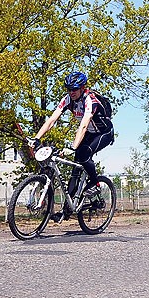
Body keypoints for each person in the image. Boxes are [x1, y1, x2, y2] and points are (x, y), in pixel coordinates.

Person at [31, 71, 114, 221]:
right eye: (68, 89)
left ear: (83, 88)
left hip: (103, 133)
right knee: (75, 170)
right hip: (89, 133)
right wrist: (37, 138)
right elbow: (51, 120)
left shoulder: (90, 100)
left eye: (74, 89)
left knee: (82, 154)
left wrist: (73, 147)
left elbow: (83, 126)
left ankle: (95, 184)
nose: (71, 92)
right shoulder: (68, 99)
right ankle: (67, 210)